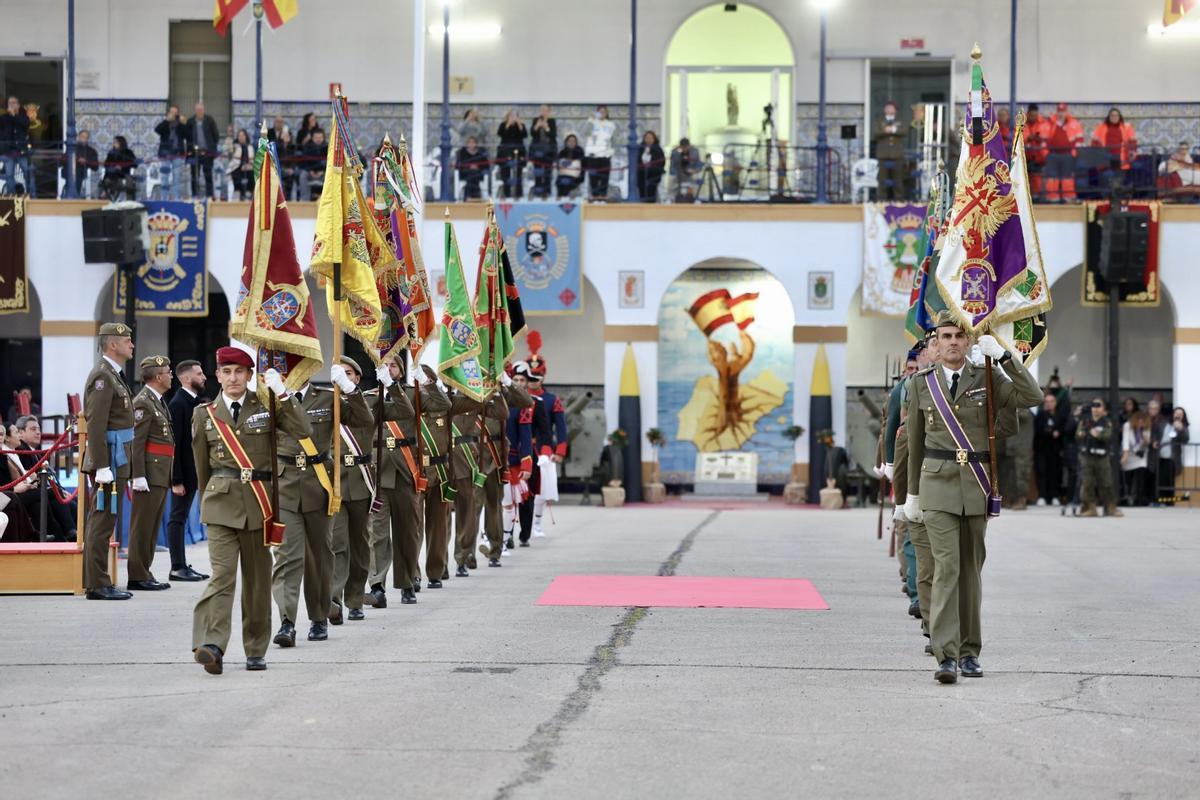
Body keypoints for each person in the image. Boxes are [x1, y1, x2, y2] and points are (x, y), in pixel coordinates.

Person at [903, 313, 1042, 684]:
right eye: (945, 336)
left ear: (968, 341)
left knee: (971, 572)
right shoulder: (921, 384)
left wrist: (1005, 357)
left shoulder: (988, 375)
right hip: (936, 488)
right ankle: (945, 654)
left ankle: (970, 652)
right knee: (947, 568)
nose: (952, 342)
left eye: (959, 336)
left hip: (976, 486)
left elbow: (1033, 397)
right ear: (937, 340)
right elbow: (915, 444)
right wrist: (911, 495)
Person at [191, 348, 310, 674]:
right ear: (217, 375)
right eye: (227, 372)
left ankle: (255, 648)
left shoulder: (268, 406)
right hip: (220, 506)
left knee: (257, 582)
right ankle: (212, 644)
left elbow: (303, 431)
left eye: (239, 372)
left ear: (249, 375)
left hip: (259, 507)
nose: (233, 378)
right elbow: (203, 468)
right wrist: (207, 503)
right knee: (222, 576)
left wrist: (283, 394)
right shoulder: (205, 414)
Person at [270, 363, 371, 647]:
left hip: (319, 483)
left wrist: (351, 391)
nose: (292, 371)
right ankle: (287, 621)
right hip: (286, 484)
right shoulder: (271, 399)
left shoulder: (328, 397)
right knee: (288, 556)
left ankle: (318, 617)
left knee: (320, 555)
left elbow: (364, 421)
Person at [364, 354, 449, 607]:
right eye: (385, 366)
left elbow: (442, 404)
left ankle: (407, 582)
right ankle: (377, 586)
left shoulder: (413, 394)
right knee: (377, 534)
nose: (389, 369)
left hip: (405, 472)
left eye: (393, 366)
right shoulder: (370, 395)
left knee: (407, 532)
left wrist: (428, 383)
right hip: (379, 474)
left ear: (401, 371)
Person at [81, 322, 137, 600]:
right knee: (101, 521)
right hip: (109, 460)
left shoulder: (114, 375)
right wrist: (102, 465)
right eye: (127, 340)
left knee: (107, 520)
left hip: (118, 456)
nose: (132, 344)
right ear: (113, 344)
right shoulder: (102, 377)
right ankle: (96, 583)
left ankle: (100, 580)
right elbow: (96, 424)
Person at [328, 357, 377, 623]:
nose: (342, 376)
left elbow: (368, 421)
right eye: (339, 373)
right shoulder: (325, 402)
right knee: (337, 544)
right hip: (335, 481)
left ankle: (355, 598)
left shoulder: (367, 402)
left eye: (348, 373)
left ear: (357, 377)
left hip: (360, 480)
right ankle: (334, 599)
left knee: (359, 545)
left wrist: (349, 390)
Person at [127, 355, 175, 591]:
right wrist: (138, 475)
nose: (171, 376)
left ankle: (144, 571)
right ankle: (137, 575)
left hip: (159, 472)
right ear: (158, 377)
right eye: (168, 372)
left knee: (152, 526)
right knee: (142, 526)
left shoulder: (156, 400)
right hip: (149, 473)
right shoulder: (143, 402)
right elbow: (137, 442)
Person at [166, 359, 208, 582]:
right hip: (183, 473)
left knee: (180, 518)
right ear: (185, 378)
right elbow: (176, 445)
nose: (204, 377)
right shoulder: (178, 404)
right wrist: (176, 479)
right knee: (177, 518)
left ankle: (182, 565)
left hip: (194, 471)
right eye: (199, 374)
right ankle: (177, 566)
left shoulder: (194, 402)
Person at [520, 338, 565, 543]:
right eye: (531, 378)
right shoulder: (518, 399)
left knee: (541, 491)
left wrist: (555, 451)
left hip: (540, 449)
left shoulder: (550, 400)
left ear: (543, 377)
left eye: (537, 377)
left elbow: (558, 427)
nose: (533, 381)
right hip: (521, 447)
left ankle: (536, 524)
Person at [8, 415, 76, 542]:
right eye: (33, 429)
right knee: (54, 497)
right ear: (21, 433)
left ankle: (71, 535)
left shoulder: (32, 451)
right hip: (18, 493)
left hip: (30, 489)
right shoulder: (20, 450)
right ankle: (68, 534)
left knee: (65, 500)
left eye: (39, 429)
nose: (38, 432)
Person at [503, 362, 535, 553]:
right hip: (489, 459)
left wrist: (527, 463)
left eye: (522, 380)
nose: (519, 383)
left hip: (512, 459)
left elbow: (525, 435)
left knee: (512, 501)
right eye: (515, 379)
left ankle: (508, 537)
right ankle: (491, 536)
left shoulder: (522, 405)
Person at [1076, 398, 1122, 517]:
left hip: (1102, 456)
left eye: (1098, 406)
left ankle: (1111, 507)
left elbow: (1107, 435)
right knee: (1087, 483)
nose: (1095, 409)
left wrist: (1097, 434)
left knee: (1106, 483)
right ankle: (1090, 508)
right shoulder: (1085, 420)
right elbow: (1078, 434)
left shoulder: (1106, 422)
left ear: (1104, 410)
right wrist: (1084, 433)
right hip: (1087, 456)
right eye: (1093, 406)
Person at [1044, 103, 1084, 202]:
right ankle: (1052, 198)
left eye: (1063, 111)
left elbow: (1079, 140)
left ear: (1067, 112)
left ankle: (1069, 197)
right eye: (1059, 111)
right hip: (1052, 155)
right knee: (1052, 178)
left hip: (1068, 155)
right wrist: (1045, 154)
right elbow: (1044, 139)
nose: (1061, 114)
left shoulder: (1074, 124)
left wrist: (1074, 154)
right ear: (1057, 112)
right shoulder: (1050, 123)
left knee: (1068, 177)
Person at [1034, 391, 1065, 505]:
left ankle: (1054, 496)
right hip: (1042, 450)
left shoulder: (1060, 415)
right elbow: (1039, 430)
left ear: (1055, 403)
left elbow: (1063, 429)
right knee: (1042, 472)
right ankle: (1042, 496)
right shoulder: (1040, 415)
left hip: (1055, 451)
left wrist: (1057, 432)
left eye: (1051, 401)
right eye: (1046, 402)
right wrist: (1051, 432)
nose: (1049, 404)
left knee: (1055, 473)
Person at [0, 95, 34, 196]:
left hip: (21, 151)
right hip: (8, 152)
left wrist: (14, 115)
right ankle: (12, 196)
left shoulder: (24, 117)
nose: (11, 104)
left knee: (28, 173)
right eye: (10, 103)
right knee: (9, 175)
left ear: (18, 105)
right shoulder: (3, 118)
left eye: (14, 103)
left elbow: (25, 124)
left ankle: (31, 195)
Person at [154, 104, 189, 200]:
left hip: (178, 154)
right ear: (168, 113)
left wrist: (184, 124)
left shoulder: (181, 125)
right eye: (171, 112)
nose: (173, 114)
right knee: (164, 177)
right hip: (165, 154)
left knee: (177, 178)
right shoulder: (165, 123)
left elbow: (188, 136)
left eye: (175, 113)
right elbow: (157, 130)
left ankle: (177, 199)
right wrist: (166, 121)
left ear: (178, 114)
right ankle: (164, 198)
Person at [873, 101, 906, 200]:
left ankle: (899, 199)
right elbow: (876, 133)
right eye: (887, 107)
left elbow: (904, 131)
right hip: (883, 154)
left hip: (897, 154)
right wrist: (885, 130)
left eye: (891, 107)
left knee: (898, 179)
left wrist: (893, 130)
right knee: (882, 179)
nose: (889, 109)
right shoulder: (879, 121)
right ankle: (881, 199)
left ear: (895, 110)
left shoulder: (900, 121)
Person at [186, 102, 220, 199]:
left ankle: (209, 195)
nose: (199, 112)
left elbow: (216, 135)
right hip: (194, 153)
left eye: (201, 110)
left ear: (204, 110)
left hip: (207, 153)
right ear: (195, 111)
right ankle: (194, 195)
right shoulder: (190, 121)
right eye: (198, 110)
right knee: (194, 175)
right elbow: (187, 137)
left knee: (208, 174)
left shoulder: (209, 120)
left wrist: (212, 147)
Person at [583, 105, 616, 200]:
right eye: (600, 111)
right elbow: (585, 133)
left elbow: (614, 139)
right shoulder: (591, 122)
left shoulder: (611, 124)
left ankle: (603, 195)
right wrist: (591, 121)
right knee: (593, 177)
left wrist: (611, 152)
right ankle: (594, 195)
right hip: (592, 156)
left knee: (604, 177)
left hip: (605, 156)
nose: (602, 113)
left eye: (604, 112)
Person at [1090, 107, 1137, 172]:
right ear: (1109, 117)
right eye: (1112, 115)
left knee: (1118, 180)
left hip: (1121, 160)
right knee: (1106, 180)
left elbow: (1133, 142)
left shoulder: (1126, 127)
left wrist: (1132, 152)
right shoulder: (1100, 127)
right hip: (1105, 159)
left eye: (1116, 115)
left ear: (1119, 117)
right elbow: (1094, 142)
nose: (1114, 117)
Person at [1121, 410, 1152, 506]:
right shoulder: (1127, 426)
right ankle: (1128, 498)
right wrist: (1125, 454)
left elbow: (1146, 443)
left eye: (1143, 422)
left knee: (1140, 476)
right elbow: (1125, 440)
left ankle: (1139, 499)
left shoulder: (1146, 428)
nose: (1140, 424)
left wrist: (1146, 441)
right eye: (1139, 421)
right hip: (1129, 454)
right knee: (1128, 478)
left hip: (1141, 455)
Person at [496, 109, 527, 199]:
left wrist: (519, 124)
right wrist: (508, 124)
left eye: (515, 116)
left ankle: (518, 194)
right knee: (505, 173)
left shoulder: (520, 125)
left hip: (518, 152)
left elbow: (524, 135)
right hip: (505, 152)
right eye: (511, 116)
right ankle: (507, 193)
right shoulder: (503, 125)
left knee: (518, 173)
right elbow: (500, 134)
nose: (513, 118)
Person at [1023, 104, 1051, 198]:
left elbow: (1047, 137)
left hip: (1040, 156)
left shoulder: (1044, 123)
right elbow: (1019, 137)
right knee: (1025, 178)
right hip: (1026, 156)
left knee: (1038, 178)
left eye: (1035, 115)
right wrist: (1028, 138)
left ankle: (1038, 196)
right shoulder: (1022, 123)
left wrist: (1038, 138)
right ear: (1028, 114)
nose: (1033, 117)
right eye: (1031, 115)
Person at [529, 104, 557, 198]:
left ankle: (547, 193)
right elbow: (532, 134)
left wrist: (546, 127)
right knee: (538, 172)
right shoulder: (535, 120)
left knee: (547, 173)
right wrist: (537, 126)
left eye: (545, 110)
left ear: (549, 111)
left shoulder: (552, 121)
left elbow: (553, 135)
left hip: (548, 151)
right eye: (542, 110)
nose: (543, 112)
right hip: (537, 151)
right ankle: (538, 192)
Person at [101, 135, 138, 201]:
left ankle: (130, 202)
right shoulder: (111, 153)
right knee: (109, 176)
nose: (114, 144)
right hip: (112, 174)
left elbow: (134, 164)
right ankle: (107, 195)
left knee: (129, 181)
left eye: (116, 142)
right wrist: (114, 166)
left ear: (121, 143)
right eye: (113, 142)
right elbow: (106, 164)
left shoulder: (128, 152)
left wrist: (122, 167)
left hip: (124, 173)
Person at [456, 136, 489, 200]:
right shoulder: (462, 153)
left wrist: (477, 166)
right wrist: (469, 166)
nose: (471, 144)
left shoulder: (480, 153)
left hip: (478, 172)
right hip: (465, 172)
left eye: (473, 142)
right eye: (469, 142)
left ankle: (472, 196)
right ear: (467, 144)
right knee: (471, 175)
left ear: (476, 144)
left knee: (474, 175)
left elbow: (486, 165)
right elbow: (459, 165)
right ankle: (471, 196)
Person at [670, 138, 702, 203]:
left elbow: (698, 164)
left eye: (686, 146)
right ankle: (670, 199)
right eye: (682, 147)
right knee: (671, 179)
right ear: (680, 146)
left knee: (696, 178)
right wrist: (676, 173)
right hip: (678, 173)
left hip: (691, 173)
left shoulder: (695, 152)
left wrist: (694, 171)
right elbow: (672, 166)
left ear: (689, 146)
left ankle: (696, 198)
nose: (684, 148)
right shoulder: (675, 152)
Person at [636, 131, 665, 202]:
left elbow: (661, 162)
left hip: (653, 176)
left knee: (652, 195)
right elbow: (637, 160)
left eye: (651, 138)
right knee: (642, 194)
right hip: (642, 176)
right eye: (647, 138)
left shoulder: (658, 149)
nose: (649, 140)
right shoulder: (641, 148)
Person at [556, 134, 585, 198]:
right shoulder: (562, 152)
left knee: (567, 182)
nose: (571, 143)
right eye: (569, 141)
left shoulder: (580, 152)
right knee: (561, 182)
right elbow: (559, 166)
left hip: (576, 177)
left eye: (573, 141)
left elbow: (582, 166)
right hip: (563, 175)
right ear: (566, 142)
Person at [302, 128, 328, 199]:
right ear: (312, 138)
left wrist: (322, 171)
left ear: (323, 138)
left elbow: (329, 162)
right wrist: (310, 171)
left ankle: (326, 199)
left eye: (320, 137)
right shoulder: (307, 147)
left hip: (323, 172)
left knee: (330, 174)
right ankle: (305, 200)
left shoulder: (328, 147)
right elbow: (304, 161)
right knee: (303, 175)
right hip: (309, 171)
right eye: (316, 137)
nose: (318, 139)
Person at [230, 128, 255, 200]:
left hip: (248, 168)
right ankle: (238, 194)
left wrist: (248, 166)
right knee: (235, 174)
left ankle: (249, 193)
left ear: (246, 137)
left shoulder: (250, 147)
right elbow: (234, 161)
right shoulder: (235, 146)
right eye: (239, 136)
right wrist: (241, 166)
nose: (241, 137)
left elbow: (252, 160)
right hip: (237, 168)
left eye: (243, 135)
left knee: (252, 174)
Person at [73, 130, 99, 197]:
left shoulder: (92, 151)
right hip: (69, 171)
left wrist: (86, 161)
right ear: (78, 137)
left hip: (82, 170)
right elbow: (63, 160)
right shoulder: (72, 148)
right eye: (82, 137)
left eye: (86, 137)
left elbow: (96, 167)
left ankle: (75, 195)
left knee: (78, 172)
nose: (84, 139)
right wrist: (77, 159)